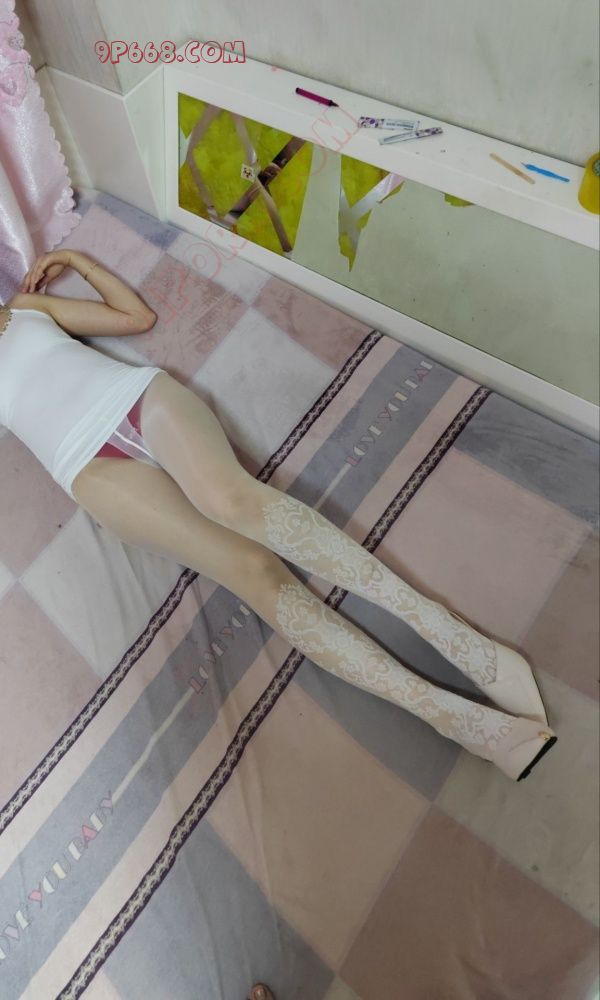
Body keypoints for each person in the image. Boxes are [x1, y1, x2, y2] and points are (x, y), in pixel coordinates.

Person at [1, 249, 558, 782]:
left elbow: (135, 317)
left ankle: (454, 637)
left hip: (135, 399)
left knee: (231, 501)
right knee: (252, 572)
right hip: (89, 467)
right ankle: (454, 719)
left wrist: (75, 261)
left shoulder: (24, 309)